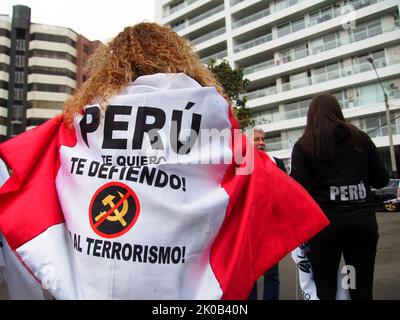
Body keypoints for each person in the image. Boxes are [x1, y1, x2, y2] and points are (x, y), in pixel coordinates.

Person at [0, 23, 329, 299]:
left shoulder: (83, 120)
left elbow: (45, 167)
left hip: (94, 278)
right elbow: (252, 171)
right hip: (176, 283)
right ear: (175, 58)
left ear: (111, 66)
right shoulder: (206, 112)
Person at [290, 94, 389, 300]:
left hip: (325, 228)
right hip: (362, 225)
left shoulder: (304, 145)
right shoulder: (361, 139)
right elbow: (381, 180)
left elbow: (298, 190)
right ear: (337, 112)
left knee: (326, 291)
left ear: (311, 116)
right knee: (361, 290)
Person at [248, 128, 285, 300]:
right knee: (250, 276)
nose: (262, 142)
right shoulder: (240, 164)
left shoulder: (277, 162)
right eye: (257, 139)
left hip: (271, 227)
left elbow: (286, 192)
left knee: (272, 273)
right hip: (248, 228)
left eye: (263, 139)